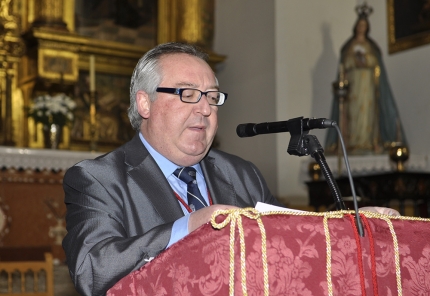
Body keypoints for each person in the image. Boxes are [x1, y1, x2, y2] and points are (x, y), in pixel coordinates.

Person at [62, 42, 399, 296]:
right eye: (188, 94)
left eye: (212, 96)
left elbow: (293, 242)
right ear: (144, 102)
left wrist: (351, 226)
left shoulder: (241, 174)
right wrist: (188, 227)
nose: (205, 109)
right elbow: (92, 269)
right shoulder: (99, 179)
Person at [325, 6, 407, 154]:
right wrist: (354, 61)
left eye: (364, 26)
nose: (361, 28)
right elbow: (345, 64)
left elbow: (376, 64)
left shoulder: (371, 46)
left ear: (367, 28)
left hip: (368, 87)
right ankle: (352, 143)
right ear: (356, 26)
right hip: (353, 86)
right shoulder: (348, 47)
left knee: (367, 114)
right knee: (353, 114)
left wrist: (366, 60)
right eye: (359, 25)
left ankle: (367, 143)